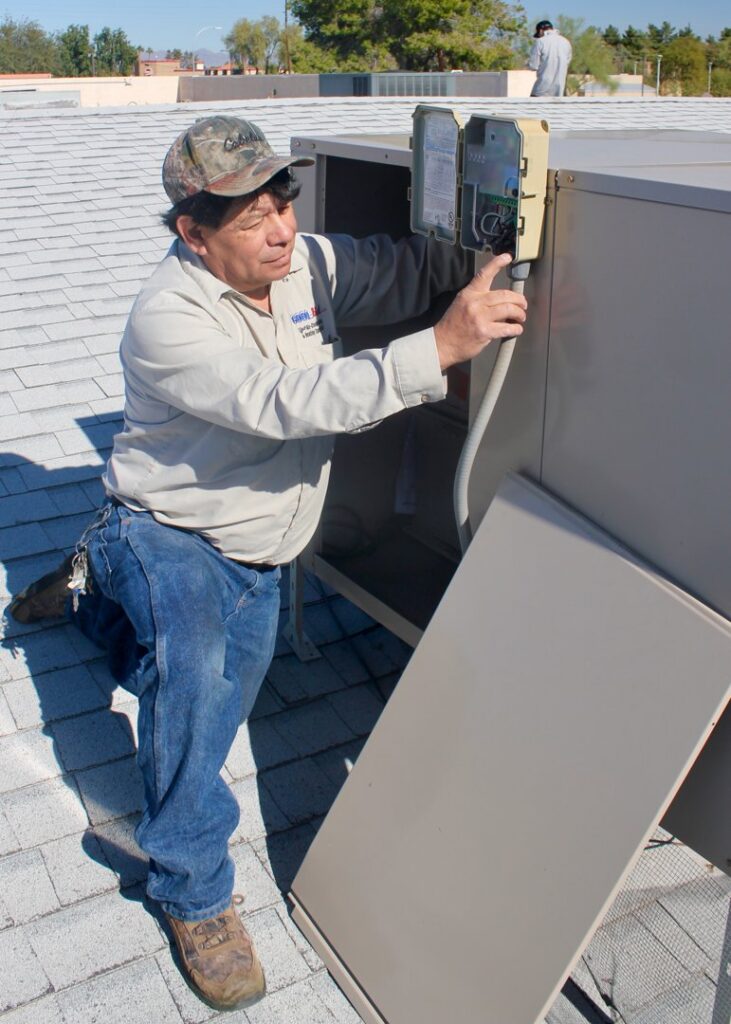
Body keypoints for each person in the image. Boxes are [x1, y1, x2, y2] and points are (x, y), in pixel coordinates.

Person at [9, 116, 528, 1011]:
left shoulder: (306, 264)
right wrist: (441, 348)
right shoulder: (166, 322)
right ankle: (190, 888)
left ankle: (95, 589)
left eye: (281, 204)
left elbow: (405, 268)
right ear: (194, 233)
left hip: (264, 541)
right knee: (199, 683)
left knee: (159, 663)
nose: (281, 230)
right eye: (251, 219)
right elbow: (290, 402)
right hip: (178, 529)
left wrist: (500, 256)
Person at [527, 20, 572, 97]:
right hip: (559, 90)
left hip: (541, 89)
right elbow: (567, 61)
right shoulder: (566, 42)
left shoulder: (540, 41)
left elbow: (533, 66)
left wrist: (527, 64)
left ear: (541, 31)